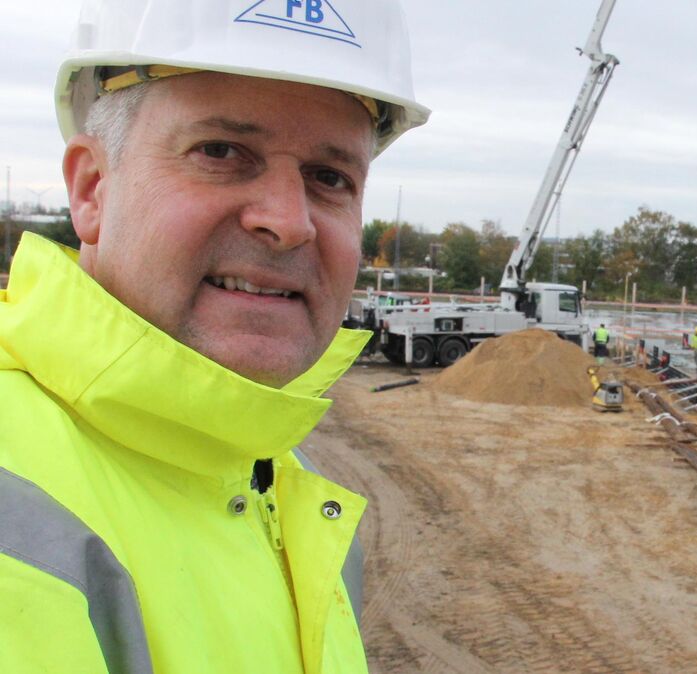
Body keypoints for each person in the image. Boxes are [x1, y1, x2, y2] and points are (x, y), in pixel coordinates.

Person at [0, 1, 430, 671]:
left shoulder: (288, 491)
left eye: (329, 177)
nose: (289, 222)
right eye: (222, 152)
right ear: (91, 191)